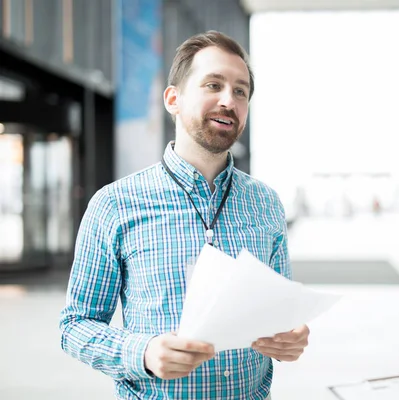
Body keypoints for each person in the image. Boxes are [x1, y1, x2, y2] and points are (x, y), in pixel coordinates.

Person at [59, 31, 309, 400]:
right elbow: (75, 326)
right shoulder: (114, 204)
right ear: (173, 99)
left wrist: (291, 337)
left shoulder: (266, 204)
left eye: (241, 91)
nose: (229, 100)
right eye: (213, 84)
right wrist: (142, 352)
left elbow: (278, 315)